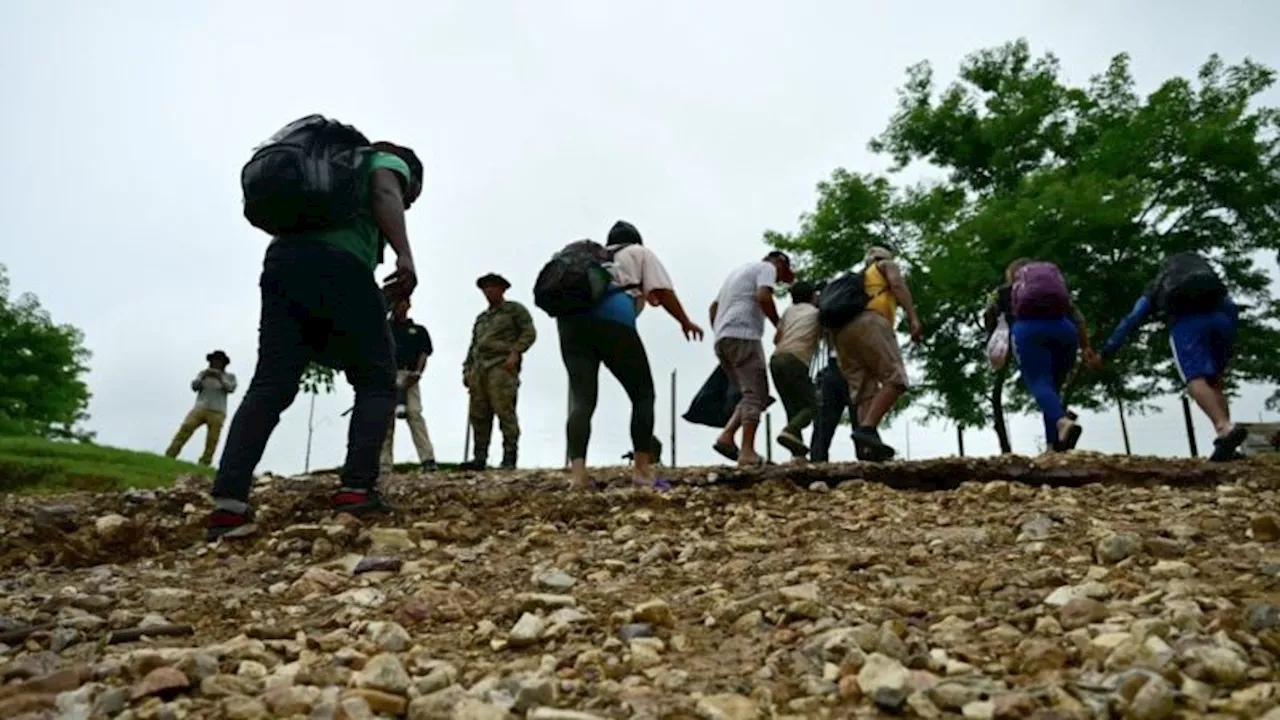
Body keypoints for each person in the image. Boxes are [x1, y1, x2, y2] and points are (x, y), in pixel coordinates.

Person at [207, 138, 423, 541]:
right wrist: (405, 255)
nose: (406, 206)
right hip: (341, 265)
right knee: (376, 380)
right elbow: (384, 190)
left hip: (283, 264)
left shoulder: (328, 169)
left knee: (271, 383)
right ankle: (356, 490)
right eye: (411, 198)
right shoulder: (385, 160)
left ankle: (228, 506)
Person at [559, 220, 704, 490]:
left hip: (570, 325)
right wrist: (684, 321)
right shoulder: (639, 253)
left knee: (582, 399)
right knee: (642, 394)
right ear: (636, 240)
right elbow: (662, 291)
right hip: (613, 320)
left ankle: (578, 476)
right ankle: (641, 471)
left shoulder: (593, 260)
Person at [1099, 251, 1245, 461]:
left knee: (1195, 379)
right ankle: (1227, 443)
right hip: (1221, 320)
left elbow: (1133, 318)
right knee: (1215, 381)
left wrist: (1108, 351)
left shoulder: (1160, 283)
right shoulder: (1208, 280)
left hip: (1187, 324)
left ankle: (1225, 428)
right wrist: (1229, 340)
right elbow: (1230, 306)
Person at [989, 258, 1099, 453]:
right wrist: (1086, 347)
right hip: (1065, 331)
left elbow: (989, 315)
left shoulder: (1002, 291)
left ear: (1012, 274)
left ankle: (1063, 422)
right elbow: (1078, 317)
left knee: (1040, 383)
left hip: (1028, 332)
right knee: (1052, 392)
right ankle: (1053, 445)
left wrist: (996, 337)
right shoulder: (1056, 290)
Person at [830, 246, 923, 461]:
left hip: (843, 334)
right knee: (896, 379)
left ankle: (868, 451)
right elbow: (897, 284)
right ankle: (867, 429)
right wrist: (913, 317)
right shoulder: (884, 266)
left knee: (864, 391)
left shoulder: (858, 281)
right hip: (871, 323)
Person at [709, 250, 795, 467]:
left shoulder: (736, 274)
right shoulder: (766, 268)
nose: (778, 279)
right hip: (744, 335)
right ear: (780, 263)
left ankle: (727, 437)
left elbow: (713, 308)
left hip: (723, 339)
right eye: (782, 274)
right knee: (755, 394)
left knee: (751, 394)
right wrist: (780, 326)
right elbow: (763, 297)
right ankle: (747, 452)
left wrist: (720, 331)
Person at [461, 273, 537, 470]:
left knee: (504, 411)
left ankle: (509, 456)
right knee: (478, 414)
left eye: (492, 287)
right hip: (479, 369)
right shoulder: (482, 318)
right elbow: (474, 344)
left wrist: (515, 352)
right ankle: (479, 457)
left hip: (501, 366)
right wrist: (467, 369)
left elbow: (529, 332)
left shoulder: (514, 310)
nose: (488, 292)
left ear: (502, 289)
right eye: (485, 288)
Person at [380, 297, 437, 473]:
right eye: (397, 303)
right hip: (387, 376)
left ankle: (428, 460)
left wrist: (418, 373)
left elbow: (424, 353)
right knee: (386, 418)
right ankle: (384, 464)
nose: (401, 307)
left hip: (410, 376)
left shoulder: (418, 330)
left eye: (404, 303)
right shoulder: (384, 328)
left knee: (414, 414)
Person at [769, 280, 821, 461]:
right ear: (813, 296)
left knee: (792, 408)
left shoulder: (788, 311)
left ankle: (797, 455)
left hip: (776, 359)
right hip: (796, 359)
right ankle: (790, 430)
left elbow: (776, 339)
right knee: (814, 406)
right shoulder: (817, 313)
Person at [166, 350, 237, 466]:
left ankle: (205, 462)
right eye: (214, 360)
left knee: (212, 440)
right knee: (185, 429)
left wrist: (220, 377)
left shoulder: (230, 376)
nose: (216, 363)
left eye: (219, 361)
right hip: (200, 407)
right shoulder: (203, 373)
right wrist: (203, 376)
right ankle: (170, 455)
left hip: (218, 411)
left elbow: (231, 389)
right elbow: (194, 386)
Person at [809, 335, 859, 462]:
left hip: (835, 363)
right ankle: (866, 455)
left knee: (825, 420)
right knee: (861, 416)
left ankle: (818, 460)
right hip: (856, 363)